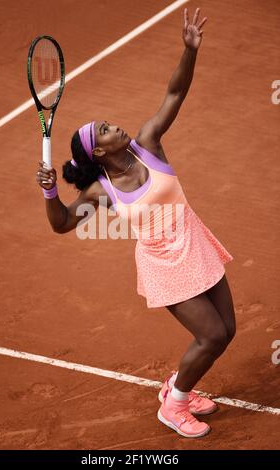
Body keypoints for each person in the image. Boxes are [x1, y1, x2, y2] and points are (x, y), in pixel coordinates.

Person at [36, 8, 236, 439]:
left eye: (108, 123)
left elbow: (175, 93)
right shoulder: (102, 191)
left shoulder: (149, 143)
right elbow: (62, 224)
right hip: (164, 263)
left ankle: (176, 386)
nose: (114, 126)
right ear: (100, 153)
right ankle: (175, 404)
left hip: (193, 240)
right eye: (104, 130)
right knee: (212, 336)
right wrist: (51, 192)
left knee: (228, 331)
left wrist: (188, 51)